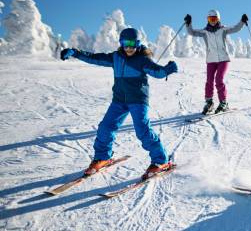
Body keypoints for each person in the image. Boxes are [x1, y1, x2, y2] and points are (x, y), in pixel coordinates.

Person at [60, 28, 179, 179]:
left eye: (132, 44)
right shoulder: (116, 57)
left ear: (137, 43)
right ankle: (103, 157)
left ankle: (161, 161)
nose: (128, 48)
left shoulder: (142, 60)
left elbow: (158, 72)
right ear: (120, 44)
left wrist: (168, 69)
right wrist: (75, 52)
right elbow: (94, 58)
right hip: (119, 100)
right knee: (105, 127)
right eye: (125, 44)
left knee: (142, 130)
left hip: (137, 100)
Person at [184, 10, 248, 114]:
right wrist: (188, 23)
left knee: (219, 79)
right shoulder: (205, 32)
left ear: (218, 19)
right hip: (211, 60)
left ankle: (223, 102)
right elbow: (192, 32)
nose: (212, 21)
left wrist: (242, 21)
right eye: (210, 19)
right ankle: (209, 102)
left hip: (223, 59)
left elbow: (235, 28)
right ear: (207, 20)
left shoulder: (223, 30)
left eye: (214, 19)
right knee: (209, 81)